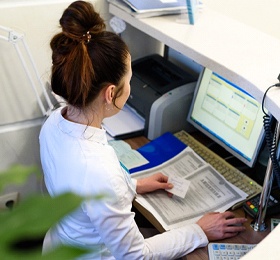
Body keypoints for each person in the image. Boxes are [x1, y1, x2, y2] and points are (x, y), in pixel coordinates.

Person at [39, 1, 247, 259]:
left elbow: (84, 191)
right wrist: (199, 230)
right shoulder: (99, 171)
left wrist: (134, 184)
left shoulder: (55, 122)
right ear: (111, 93)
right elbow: (137, 256)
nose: (131, 87)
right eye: (129, 80)